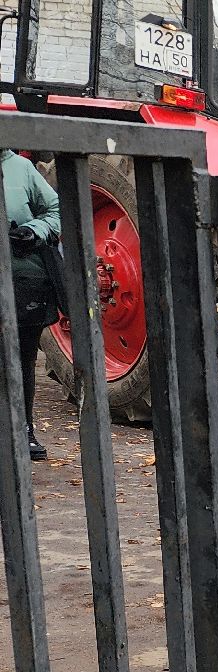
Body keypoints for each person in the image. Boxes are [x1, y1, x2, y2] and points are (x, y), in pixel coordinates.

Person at [4, 149, 60, 463]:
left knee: (24, 356)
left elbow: (56, 211)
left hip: (23, 277)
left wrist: (33, 231)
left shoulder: (22, 167)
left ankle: (23, 428)